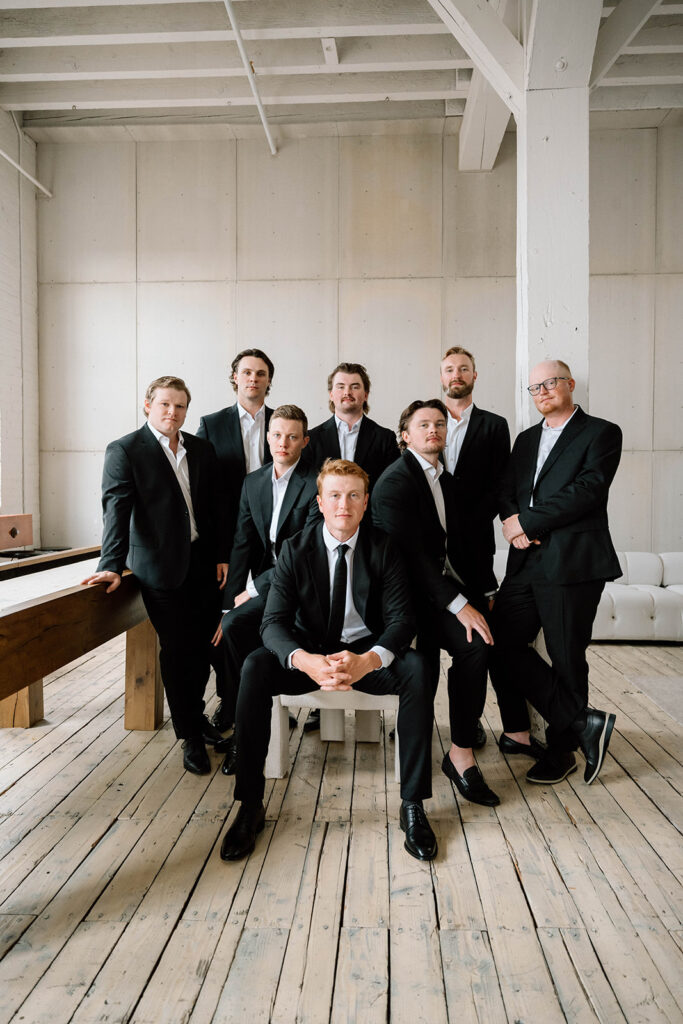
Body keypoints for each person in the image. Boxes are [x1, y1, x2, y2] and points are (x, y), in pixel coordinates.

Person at [220, 459, 437, 863]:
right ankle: (250, 804)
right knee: (255, 666)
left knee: (417, 668)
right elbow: (273, 624)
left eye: (354, 495)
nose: (344, 505)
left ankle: (413, 805)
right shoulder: (294, 549)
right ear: (320, 502)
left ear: (366, 501)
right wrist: (306, 662)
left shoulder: (384, 546)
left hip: (365, 654)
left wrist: (367, 661)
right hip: (311, 654)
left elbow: (401, 620)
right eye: (335, 495)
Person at [82, 376, 231, 775]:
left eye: (180, 406)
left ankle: (195, 717)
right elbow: (115, 509)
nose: (173, 412)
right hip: (159, 568)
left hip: (202, 563)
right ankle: (190, 738)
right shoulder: (126, 450)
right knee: (179, 648)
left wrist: (221, 555)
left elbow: (213, 508)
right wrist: (110, 565)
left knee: (203, 649)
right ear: (147, 405)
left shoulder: (200, 449)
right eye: (165, 404)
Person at [489, 360, 622, 786]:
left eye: (549, 383)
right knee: (500, 642)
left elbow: (587, 491)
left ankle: (562, 751)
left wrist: (529, 523)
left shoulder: (601, 432)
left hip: (573, 561)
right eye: (534, 388)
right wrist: (513, 522)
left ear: (570, 384)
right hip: (525, 562)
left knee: (566, 657)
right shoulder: (526, 439)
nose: (542, 392)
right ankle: (585, 724)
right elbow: (506, 489)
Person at [372, 399, 500, 807]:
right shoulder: (394, 482)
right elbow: (412, 556)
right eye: (423, 424)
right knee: (422, 667)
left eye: (440, 424)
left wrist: (484, 592)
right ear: (405, 435)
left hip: (441, 594)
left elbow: (466, 546)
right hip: (405, 600)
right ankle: (416, 754)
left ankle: (460, 753)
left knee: (475, 646)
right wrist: (458, 603)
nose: (434, 430)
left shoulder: (447, 481)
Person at [213, 404, 320, 774]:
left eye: (292, 436)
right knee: (229, 627)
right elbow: (242, 543)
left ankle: (252, 726)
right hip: (270, 585)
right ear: (268, 437)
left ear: (305, 441)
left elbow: (305, 550)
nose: (283, 443)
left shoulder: (317, 482)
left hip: (306, 589)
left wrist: (254, 590)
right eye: (276, 435)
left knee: (245, 630)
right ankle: (240, 716)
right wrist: (229, 604)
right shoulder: (253, 482)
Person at [303, 361, 399, 732]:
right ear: (331, 394)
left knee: (363, 611)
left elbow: (386, 495)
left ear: (365, 394)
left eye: (355, 386)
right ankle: (320, 694)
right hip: (324, 538)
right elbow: (308, 495)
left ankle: (368, 682)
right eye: (341, 386)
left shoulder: (384, 437)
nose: (348, 392)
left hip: (369, 541)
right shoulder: (312, 437)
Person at [196, 348, 275, 731]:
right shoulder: (211, 425)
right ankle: (230, 702)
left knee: (268, 620)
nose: (253, 379)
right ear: (234, 378)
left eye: (261, 373)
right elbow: (203, 495)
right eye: (246, 373)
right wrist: (219, 552)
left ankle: (267, 699)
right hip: (231, 545)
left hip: (275, 546)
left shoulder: (283, 423)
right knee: (224, 626)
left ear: (269, 381)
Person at [439, 346, 513, 753]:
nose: (456, 374)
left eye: (463, 368)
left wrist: (499, 519)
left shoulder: (493, 425)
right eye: (449, 369)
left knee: (479, 638)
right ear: (441, 376)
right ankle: (414, 714)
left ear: (474, 375)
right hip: (431, 547)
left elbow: (502, 481)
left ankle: (468, 724)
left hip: (475, 546)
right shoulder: (426, 419)